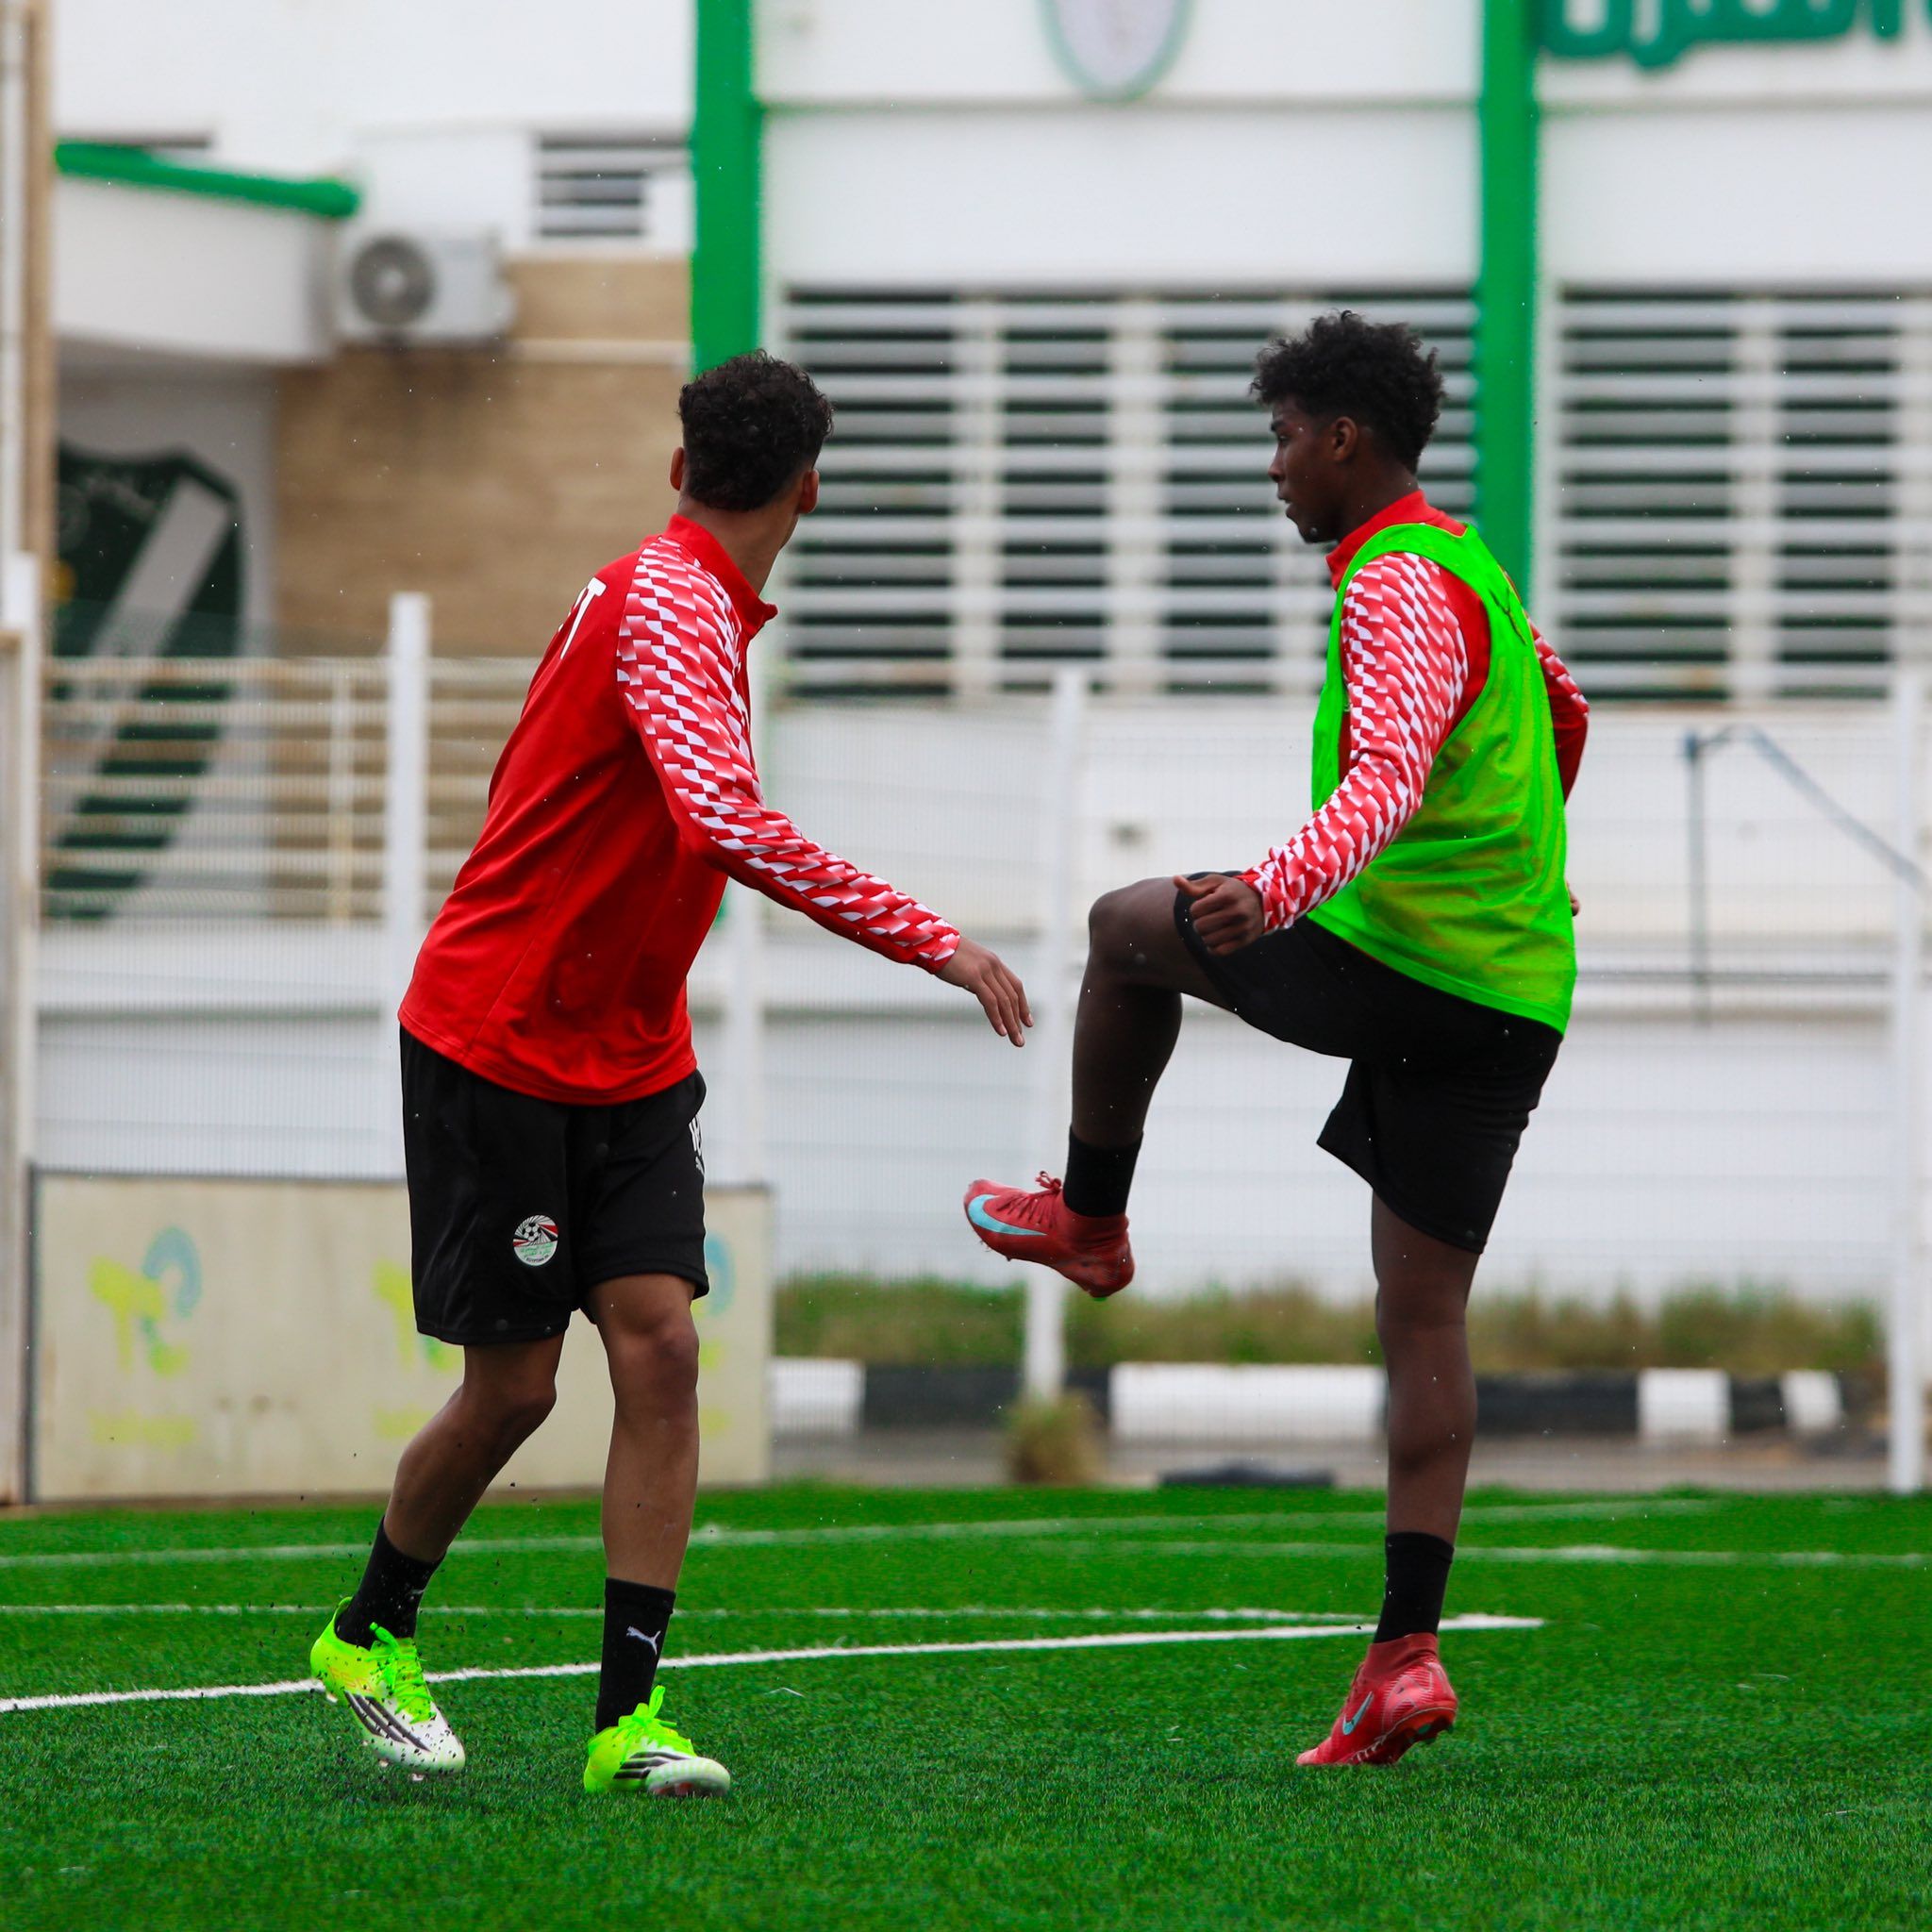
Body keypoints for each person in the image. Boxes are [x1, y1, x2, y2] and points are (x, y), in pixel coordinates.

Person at [312, 350, 1030, 1797]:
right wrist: (933, 941)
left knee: (663, 1346)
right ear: (809, 490)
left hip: (630, 1050)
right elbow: (723, 819)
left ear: (681, 465)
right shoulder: (665, 600)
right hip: (501, 1034)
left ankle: (628, 1724)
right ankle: (370, 1630)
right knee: (515, 1390)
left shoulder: (691, 598)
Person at [964, 310, 1587, 1767]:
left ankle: (1091, 1220)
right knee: (1424, 1318)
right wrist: (1526, 858)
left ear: (1345, 441)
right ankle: (1404, 1658)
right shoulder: (1477, 568)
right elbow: (1563, 711)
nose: (1276, 469)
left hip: (1409, 967)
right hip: (1516, 994)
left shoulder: (1392, 584)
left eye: (1285, 438)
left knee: (1129, 927)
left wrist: (1276, 887)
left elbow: (1383, 773)